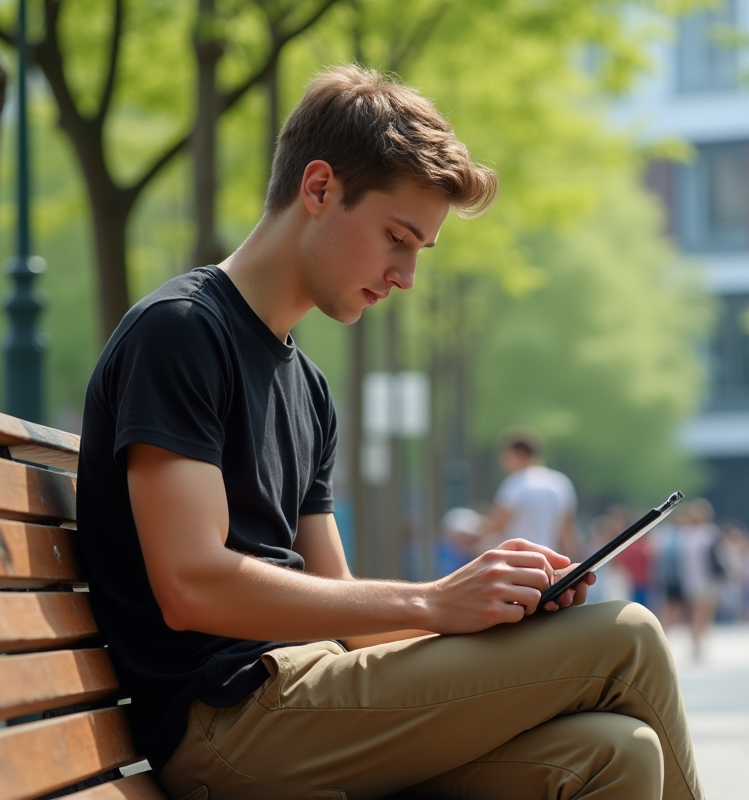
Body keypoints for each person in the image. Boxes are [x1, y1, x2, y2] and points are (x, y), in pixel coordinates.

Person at [75, 65, 705, 800]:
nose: (405, 275)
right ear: (318, 190)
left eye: (419, 251)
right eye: (396, 237)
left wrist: (494, 616)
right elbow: (192, 585)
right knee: (626, 637)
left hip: (308, 698)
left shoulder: (306, 389)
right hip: (228, 725)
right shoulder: (181, 333)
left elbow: (348, 615)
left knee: (615, 753)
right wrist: (433, 600)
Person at [487, 428, 578, 558]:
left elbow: (497, 525)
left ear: (519, 454)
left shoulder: (514, 483)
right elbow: (567, 534)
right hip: (549, 560)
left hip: (517, 561)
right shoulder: (561, 483)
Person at [658, 499, 720, 661]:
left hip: (694, 580)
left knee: (699, 614)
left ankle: (697, 642)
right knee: (702, 614)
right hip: (702, 579)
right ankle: (696, 643)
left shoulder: (686, 535)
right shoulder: (706, 533)